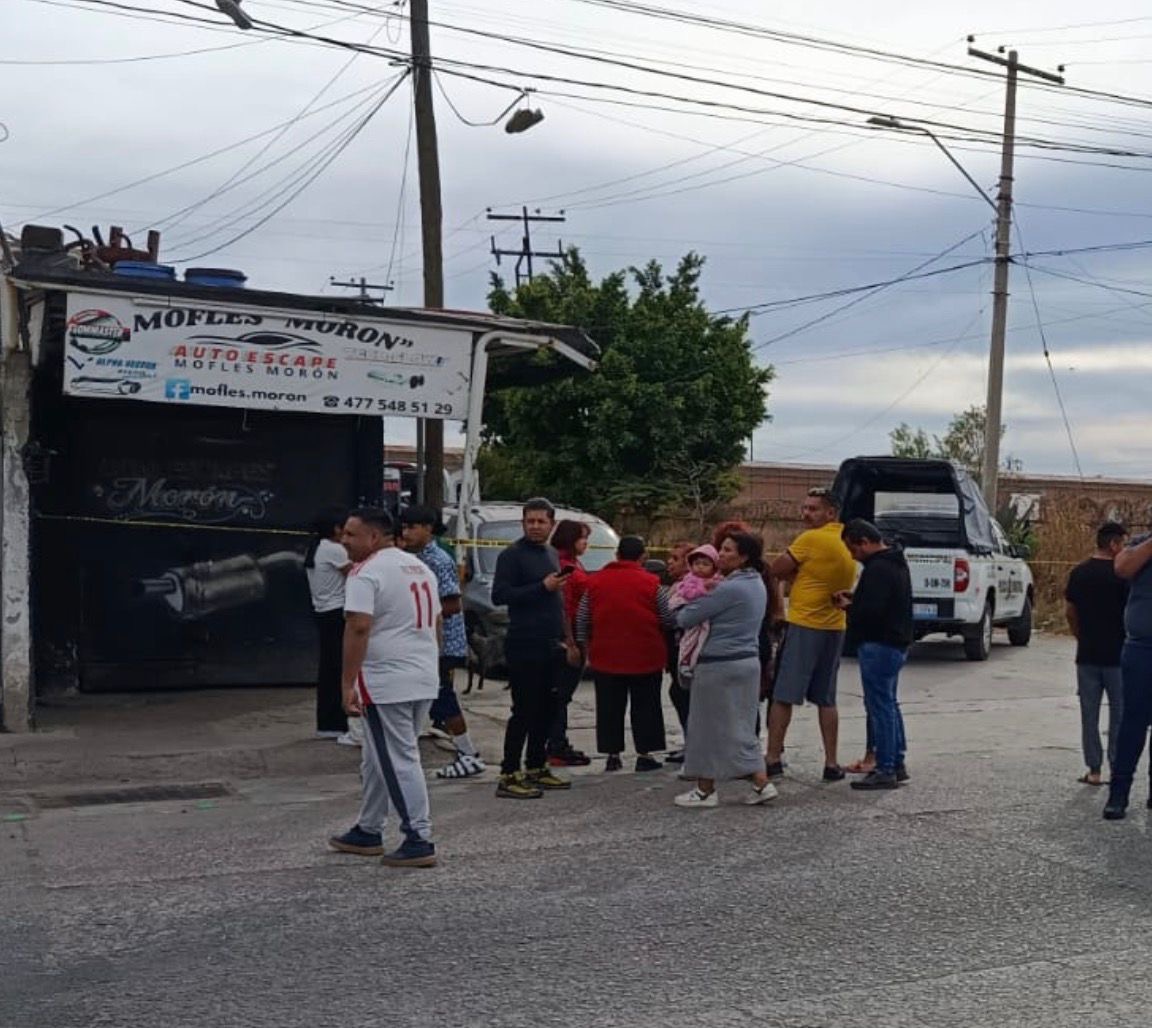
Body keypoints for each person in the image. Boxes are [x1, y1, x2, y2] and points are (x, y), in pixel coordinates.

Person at [328, 508, 441, 868]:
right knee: (377, 755)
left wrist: (347, 682)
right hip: (421, 675)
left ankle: (418, 836)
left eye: (351, 534)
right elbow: (437, 622)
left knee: (398, 758)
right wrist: (431, 665)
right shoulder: (419, 567)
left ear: (373, 537)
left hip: (386, 680)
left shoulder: (365, 573)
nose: (344, 541)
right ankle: (369, 828)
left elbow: (358, 627)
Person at [674, 531, 777, 808]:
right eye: (721, 548)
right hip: (747, 662)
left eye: (728, 550)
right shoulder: (756, 583)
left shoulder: (728, 588)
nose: (720, 554)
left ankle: (705, 790)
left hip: (719, 664)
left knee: (706, 727)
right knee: (739, 726)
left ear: (743, 557)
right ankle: (760, 782)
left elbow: (686, 616)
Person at [766, 487, 856, 782]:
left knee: (784, 694)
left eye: (813, 509)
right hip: (835, 626)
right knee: (826, 698)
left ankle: (773, 756)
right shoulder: (846, 539)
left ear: (830, 512)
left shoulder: (810, 539)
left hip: (805, 623)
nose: (806, 514)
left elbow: (776, 569)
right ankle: (831, 762)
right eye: (804, 508)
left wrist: (797, 576)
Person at [492, 498, 573, 799]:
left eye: (541, 521)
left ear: (552, 524)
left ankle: (536, 765)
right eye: (530, 521)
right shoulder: (511, 555)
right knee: (524, 710)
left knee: (547, 709)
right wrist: (541, 587)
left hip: (551, 643)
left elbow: (556, 601)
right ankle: (509, 772)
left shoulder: (550, 553)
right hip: (524, 643)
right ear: (523, 523)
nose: (535, 526)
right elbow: (500, 595)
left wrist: (566, 638)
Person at [400, 505, 486, 780]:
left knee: (442, 698)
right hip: (424, 641)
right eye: (404, 527)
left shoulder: (436, 560)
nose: (406, 533)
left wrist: (416, 611)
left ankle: (468, 753)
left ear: (428, 528)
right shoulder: (414, 557)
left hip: (443, 644)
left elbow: (452, 603)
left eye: (412, 527)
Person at [575, 536, 669, 773]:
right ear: (643, 557)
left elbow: (583, 618)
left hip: (606, 656)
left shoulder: (595, 582)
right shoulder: (652, 583)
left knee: (609, 707)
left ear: (617, 555)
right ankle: (645, 754)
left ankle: (612, 755)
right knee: (646, 706)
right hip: (646, 656)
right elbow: (667, 617)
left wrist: (585, 647)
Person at [835, 519, 913, 790]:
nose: (853, 556)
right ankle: (896, 760)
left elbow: (872, 611)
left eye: (853, 549)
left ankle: (885, 767)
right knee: (889, 704)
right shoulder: (896, 562)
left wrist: (849, 607)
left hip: (879, 643)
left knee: (879, 706)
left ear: (865, 542)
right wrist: (857, 600)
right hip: (896, 642)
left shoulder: (878, 568)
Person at [1066, 521, 1129, 788]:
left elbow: (1070, 611)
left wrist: (1080, 636)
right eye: (1123, 543)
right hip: (1119, 657)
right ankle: (1117, 768)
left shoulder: (1079, 573)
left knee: (1089, 715)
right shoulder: (1123, 576)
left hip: (1087, 655)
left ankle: (1094, 770)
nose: (1125, 549)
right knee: (1120, 715)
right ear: (1113, 544)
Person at [1103, 527, 1152, 820]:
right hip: (1143, 649)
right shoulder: (1141, 544)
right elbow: (1121, 567)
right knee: (1133, 722)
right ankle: (1118, 793)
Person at [547, 519, 593, 768]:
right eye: (582, 538)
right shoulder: (563, 565)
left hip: (580, 631)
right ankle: (556, 744)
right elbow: (563, 607)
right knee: (560, 694)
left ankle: (557, 741)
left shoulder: (575, 563)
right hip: (570, 633)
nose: (586, 543)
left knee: (563, 694)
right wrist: (570, 642)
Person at [304, 507, 351, 741]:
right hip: (336, 613)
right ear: (336, 529)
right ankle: (336, 722)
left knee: (329, 668)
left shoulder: (318, 548)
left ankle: (328, 722)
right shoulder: (334, 549)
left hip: (324, 612)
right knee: (338, 669)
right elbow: (357, 572)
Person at [663, 541, 697, 761]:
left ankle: (693, 744)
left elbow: (675, 619)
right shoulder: (677, 585)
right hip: (676, 649)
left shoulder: (691, 587)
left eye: (675, 558)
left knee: (683, 695)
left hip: (686, 650)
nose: (669, 563)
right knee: (679, 693)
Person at [670, 544, 721, 686]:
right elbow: (687, 595)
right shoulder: (689, 580)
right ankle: (686, 663)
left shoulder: (718, 581)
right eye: (697, 563)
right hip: (690, 616)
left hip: (705, 620)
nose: (700, 567)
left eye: (705, 564)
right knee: (689, 641)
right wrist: (704, 589)